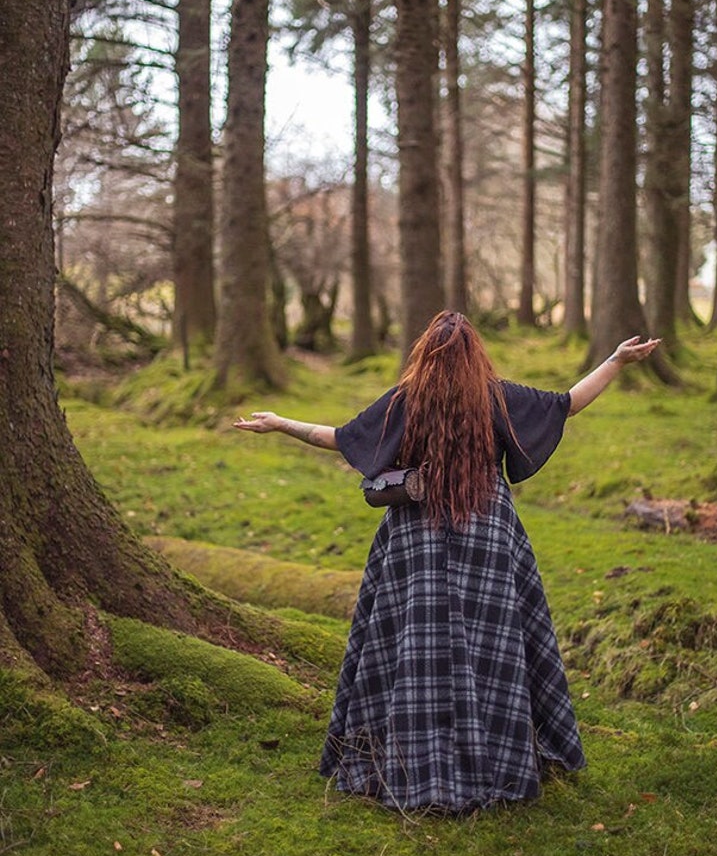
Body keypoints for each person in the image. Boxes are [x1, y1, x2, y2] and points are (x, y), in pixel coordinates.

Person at [235, 312, 661, 813]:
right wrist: (615, 360)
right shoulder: (495, 396)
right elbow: (568, 404)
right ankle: (497, 760)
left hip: (414, 542)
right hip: (489, 535)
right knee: (492, 647)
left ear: (424, 355)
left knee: (413, 648)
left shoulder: (406, 400)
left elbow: (339, 437)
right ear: (475, 355)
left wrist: (281, 423)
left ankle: (407, 761)